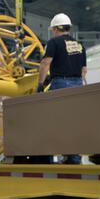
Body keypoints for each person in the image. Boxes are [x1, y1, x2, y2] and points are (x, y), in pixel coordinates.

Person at [37, 13, 87, 164]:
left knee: (52, 120)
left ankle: (48, 156)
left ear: (56, 28)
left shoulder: (54, 42)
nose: (52, 32)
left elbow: (45, 63)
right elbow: (84, 70)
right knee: (73, 122)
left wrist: (40, 84)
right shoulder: (79, 45)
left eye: (52, 29)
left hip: (61, 83)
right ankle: (74, 157)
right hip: (78, 84)